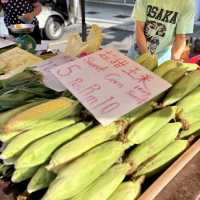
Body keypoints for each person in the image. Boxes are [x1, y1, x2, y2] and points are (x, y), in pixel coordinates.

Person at [128, 0, 195, 64]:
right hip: (136, 53)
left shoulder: (187, 4)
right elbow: (139, 28)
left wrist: (174, 59)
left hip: (162, 58)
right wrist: (147, 58)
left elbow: (180, 36)